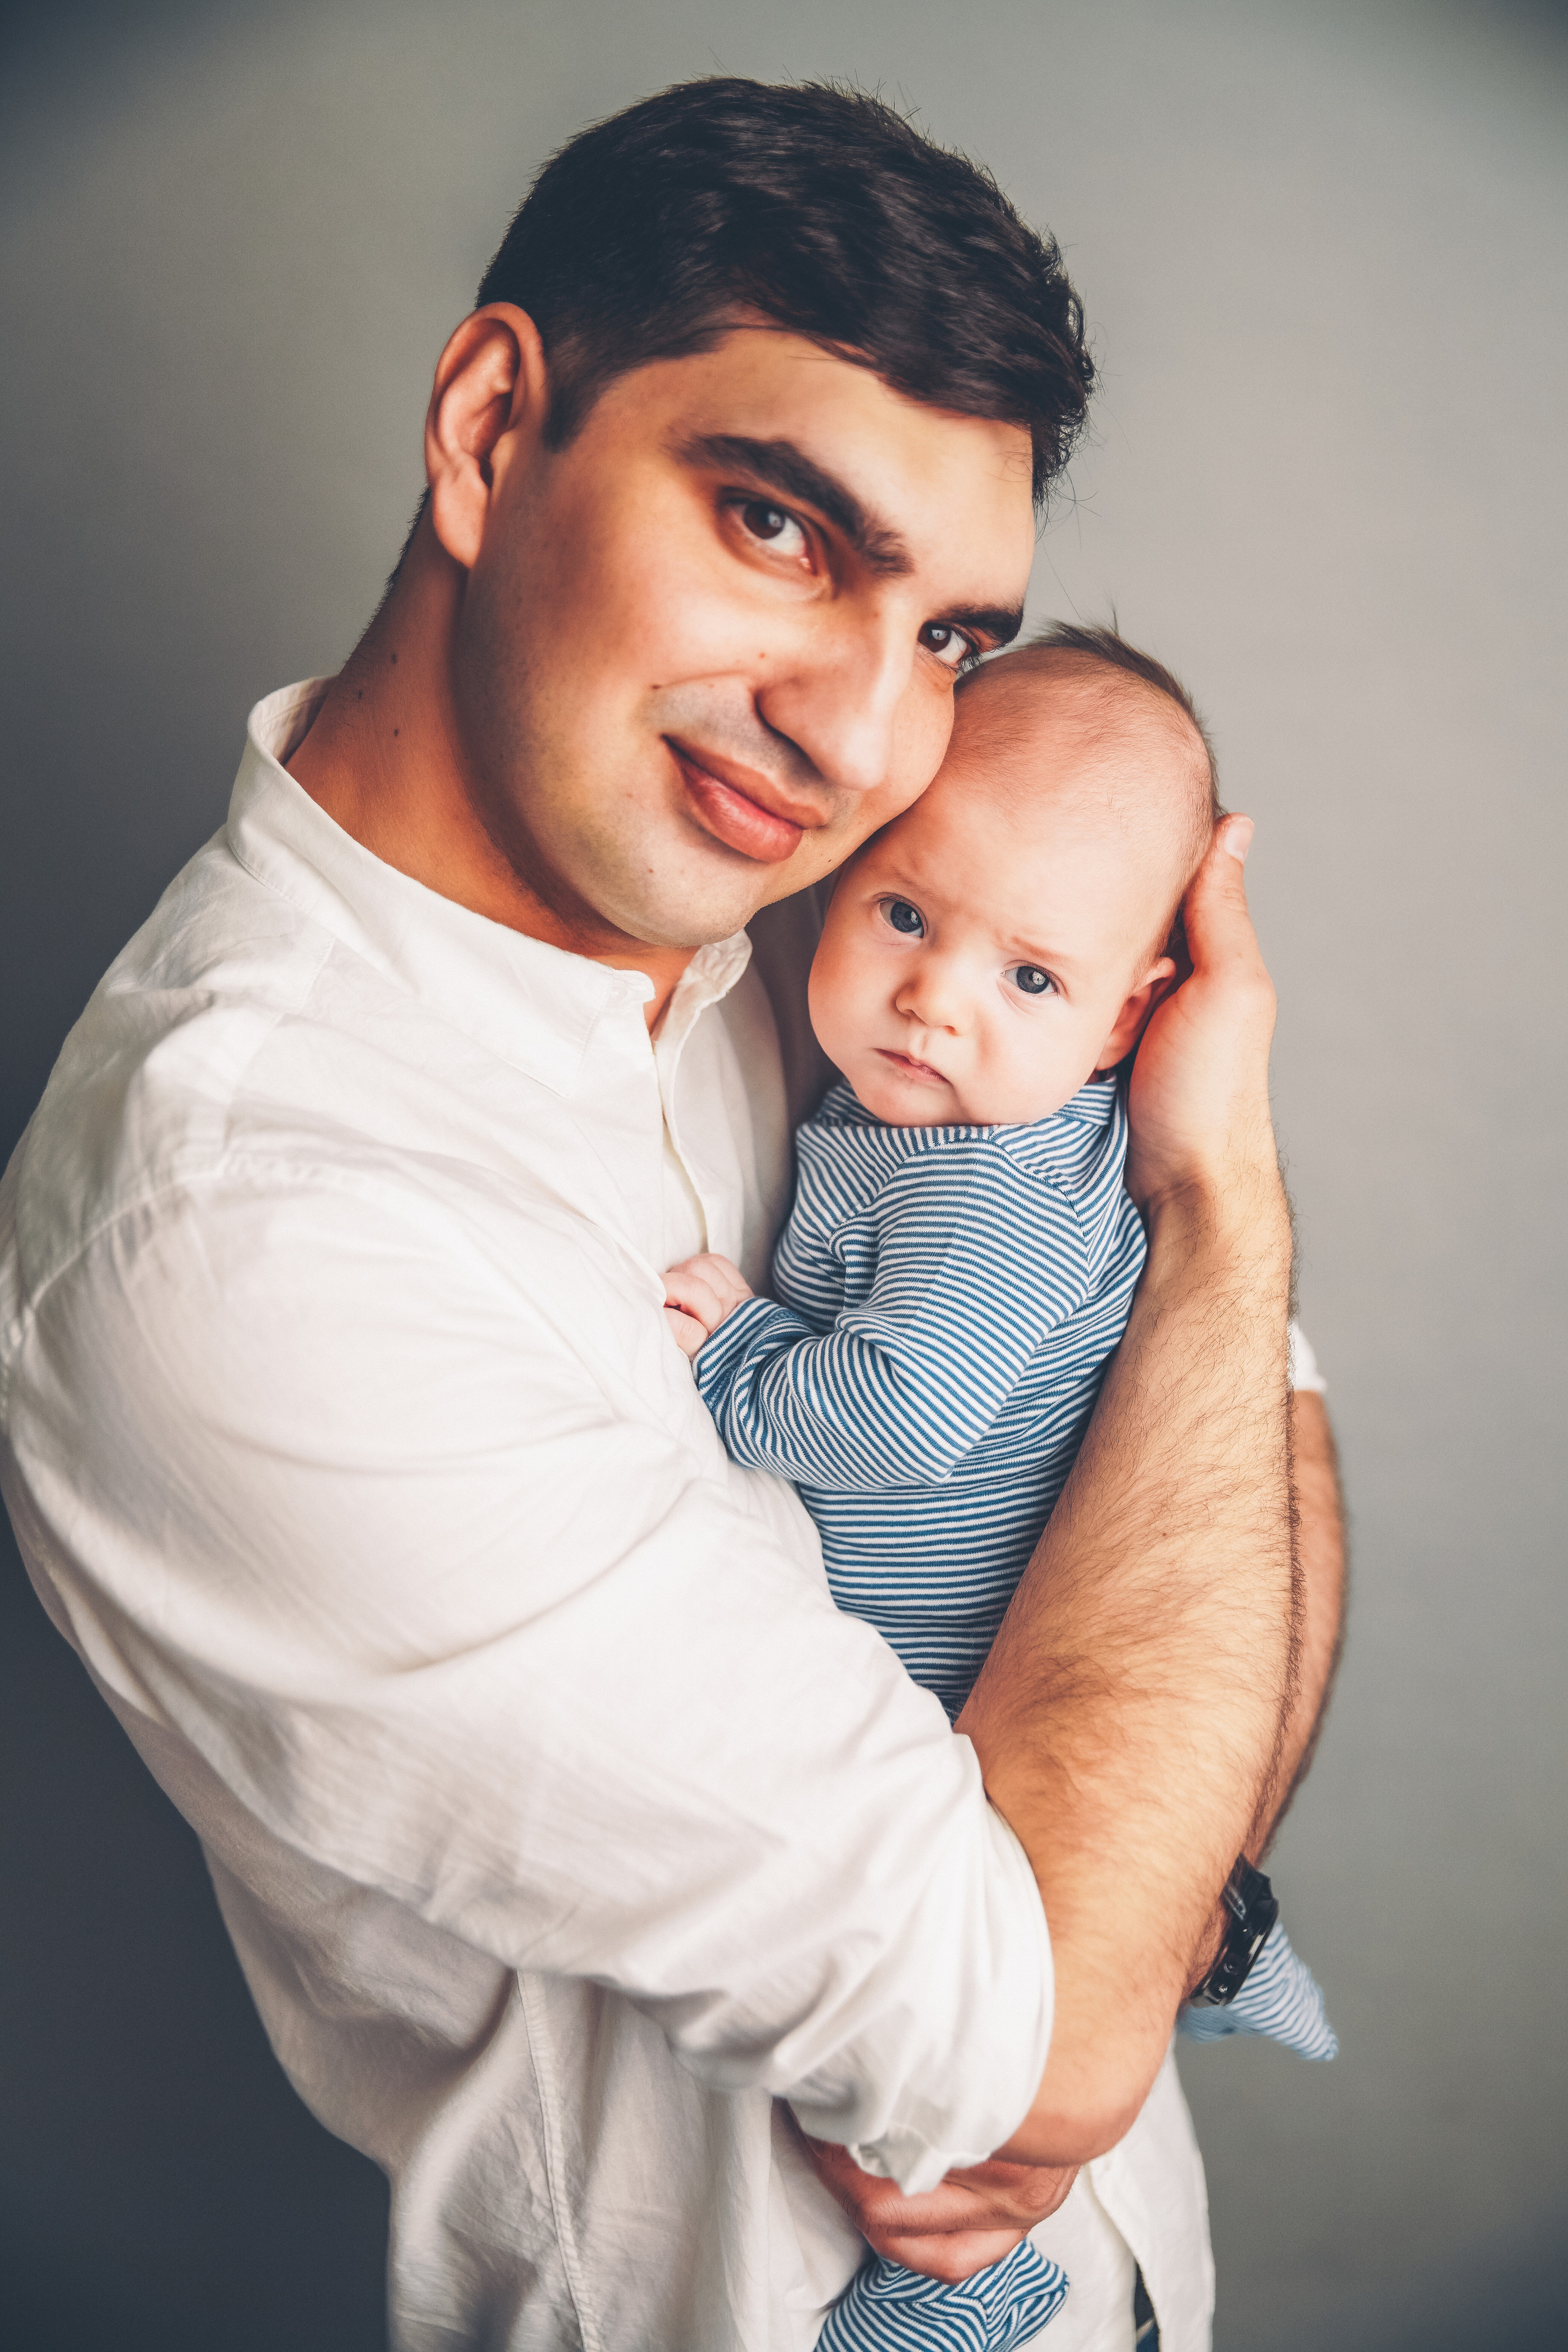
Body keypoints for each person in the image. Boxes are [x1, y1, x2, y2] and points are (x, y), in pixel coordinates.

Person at [0, 78, 1343, 2352]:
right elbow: (1029, 2049)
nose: (854, 734)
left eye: (946, 638)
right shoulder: (250, 1232)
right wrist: (1217, 1222)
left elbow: (1250, 1448)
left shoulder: (824, 945)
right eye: (780, 527)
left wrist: (1213, 1233)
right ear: (492, 425)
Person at [666, 628, 1338, 2348]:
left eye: (1031, 978)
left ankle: (972, 2292)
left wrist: (738, 1357)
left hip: (977, 1697)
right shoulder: (975, 1131)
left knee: (916, 2045)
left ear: (1132, 1017)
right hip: (961, 1702)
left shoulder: (993, 1185)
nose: (939, 999)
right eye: (906, 914)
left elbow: (902, 1414)